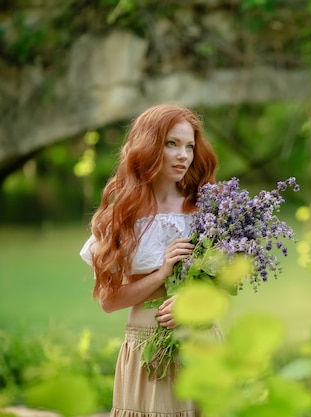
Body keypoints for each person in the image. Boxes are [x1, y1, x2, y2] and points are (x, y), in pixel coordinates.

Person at [80, 103, 218, 417]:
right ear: (149, 146)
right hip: (147, 350)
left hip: (202, 341)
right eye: (172, 144)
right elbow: (109, 301)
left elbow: (226, 280)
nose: (183, 155)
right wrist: (161, 274)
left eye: (189, 146)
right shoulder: (122, 217)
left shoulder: (208, 210)